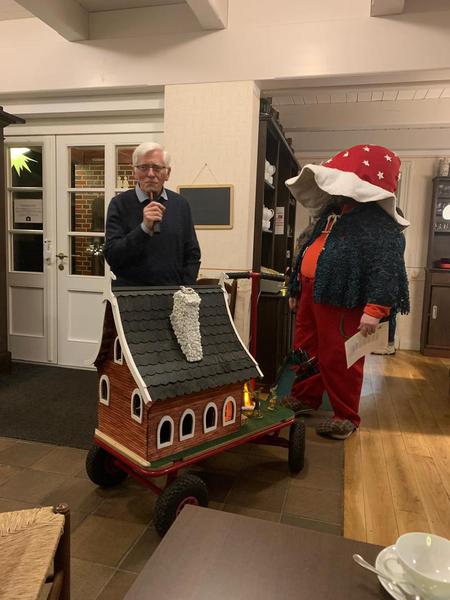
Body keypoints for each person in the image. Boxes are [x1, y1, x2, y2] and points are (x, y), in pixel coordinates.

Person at [285, 144, 410, 440]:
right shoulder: (331, 214)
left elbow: (387, 267)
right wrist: (295, 287)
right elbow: (306, 250)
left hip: (343, 298)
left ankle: (345, 416)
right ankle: (305, 397)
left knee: (340, 358)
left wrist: (375, 309)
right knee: (306, 349)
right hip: (311, 293)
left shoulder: (378, 223)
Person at [104, 142, 201, 286]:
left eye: (157, 168)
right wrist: (143, 229)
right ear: (134, 172)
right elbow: (113, 256)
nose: (150, 174)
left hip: (173, 294)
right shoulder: (119, 204)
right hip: (131, 295)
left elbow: (192, 254)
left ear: (167, 173)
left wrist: (185, 288)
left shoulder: (180, 204)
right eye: (143, 167)